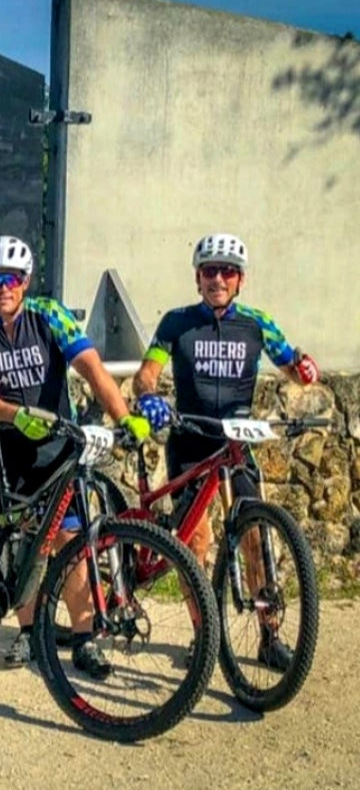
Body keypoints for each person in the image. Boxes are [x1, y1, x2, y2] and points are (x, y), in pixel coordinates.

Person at [0, 235, 151, 678]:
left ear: (25, 282)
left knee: (74, 544)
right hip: (9, 452)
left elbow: (92, 368)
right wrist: (14, 414)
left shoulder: (50, 316)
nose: (4, 287)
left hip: (59, 450)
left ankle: (84, 639)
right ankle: (27, 633)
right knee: (24, 542)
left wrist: (124, 418)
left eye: (12, 279)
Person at [132, 232, 319, 671]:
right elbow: (146, 375)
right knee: (194, 543)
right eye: (209, 271)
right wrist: (150, 397)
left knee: (257, 536)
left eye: (227, 271)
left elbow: (293, 366)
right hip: (191, 443)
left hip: (236, 446)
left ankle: (268, 635)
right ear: (197, 278)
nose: (218, 278)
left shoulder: (257, 323)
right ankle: (204, 637)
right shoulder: (176, 322)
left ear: (240, 280)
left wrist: (305, 370)